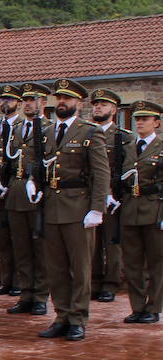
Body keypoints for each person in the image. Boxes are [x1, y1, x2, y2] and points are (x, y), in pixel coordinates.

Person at [38, 78, 110, 341]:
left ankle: (78, 318)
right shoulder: (46, 132)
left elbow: (101, 174)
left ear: (79, 103)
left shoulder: (90, 132)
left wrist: (97, 209)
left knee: (79, 268)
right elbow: (42, 165)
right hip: (52, 207)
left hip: (78, 207)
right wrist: (36, 185)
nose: (62, 102)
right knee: (55, 268)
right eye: (59, 98)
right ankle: (62, 316)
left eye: (67, 99)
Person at [5, 83, 50, 316]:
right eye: (27, 100)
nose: (30, 104)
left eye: (35, 100)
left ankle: (41, 295)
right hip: (16, 190)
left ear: (44, 103)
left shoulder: (49, 128)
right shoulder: (17, 128)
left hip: (37, 194)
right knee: (21, 247)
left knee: (40, 247)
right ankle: (26, 293)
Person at [89, 88, 135, 302]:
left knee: (112, 242)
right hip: (88, 195)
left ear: (114, 110)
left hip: (113, 198)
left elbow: (128, 168)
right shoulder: (87, 133)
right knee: (93, 243)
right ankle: (95, 282)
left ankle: (110, 283)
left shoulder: (122, 137)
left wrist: (115, 194)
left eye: (104, 104)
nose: (98, 107)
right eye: (96, 104)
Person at [120, 100, 163, 324]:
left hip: (154, 209)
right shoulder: (128, 146)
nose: (140, 123)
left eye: (145, 119)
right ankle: (137, 307)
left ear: (156, 123)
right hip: (130, 209)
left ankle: (153, 307)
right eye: (137, 119)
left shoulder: (161, 147)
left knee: (156, 261)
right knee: (132, 262)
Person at [0, 85, 25, 297]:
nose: (5, 103)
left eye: (10, 100)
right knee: (1, 238)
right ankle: (6, 279)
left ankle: (20, 282)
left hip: (16, 188)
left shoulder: (24, 127)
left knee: (19, 238)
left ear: (18, 104)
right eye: (2, 100)